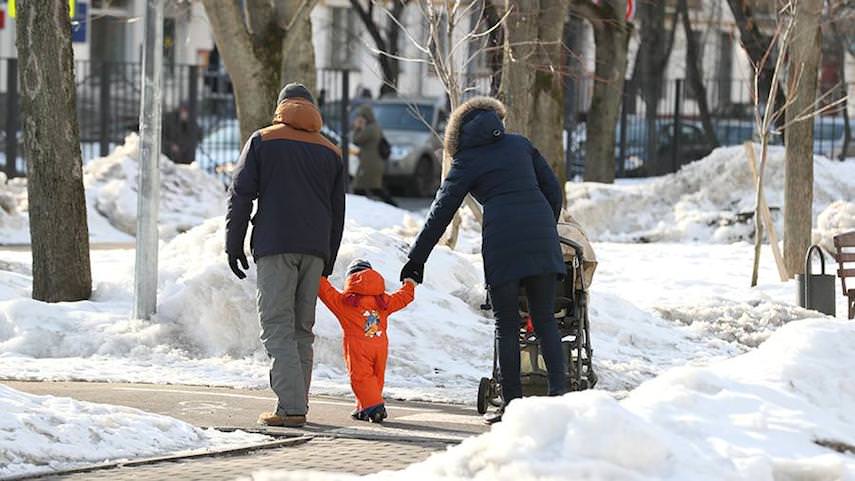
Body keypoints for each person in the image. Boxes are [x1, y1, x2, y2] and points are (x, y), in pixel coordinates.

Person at [399, 97, 566, 424]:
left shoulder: (466, 161)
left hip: (503, 241)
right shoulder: (520, 145)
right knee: (545, 318)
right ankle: (559, 396)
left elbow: (440, 214)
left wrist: (417, 259)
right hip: (542, 235)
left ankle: (513, 404)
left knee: (507, 325)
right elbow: (553, 190)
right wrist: (545, 222)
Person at [225, 83, 346, 428]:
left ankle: (291, 408)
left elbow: (241, 194)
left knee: (276, 324)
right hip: (315, 250)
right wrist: (329, 257)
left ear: (281, 107)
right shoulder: (331, 152)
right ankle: (296, 404)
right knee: (301, 330)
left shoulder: (263, 141)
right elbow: (338, 211)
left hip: (276, 245)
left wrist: (234, 243)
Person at [318, 259, 416, 423]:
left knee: (361, 377)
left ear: (350, 279)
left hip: (358, 345)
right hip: (380, 344)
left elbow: (325, 291)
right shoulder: (384, 301)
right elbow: (404, 297)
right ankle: (363, 408)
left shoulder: (344, 302)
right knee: (376, 377)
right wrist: (409, 283)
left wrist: (319, 272)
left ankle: (374, 407)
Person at [351, 104, 398, 207]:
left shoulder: (370, 128)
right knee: (371, 188)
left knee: (361, 187)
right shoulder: (375, 126)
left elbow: (356, 140)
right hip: (372, 163)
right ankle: (389, 205)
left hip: (369, 164)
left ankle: (392, 206)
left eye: (361, 117)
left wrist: (357, 128)